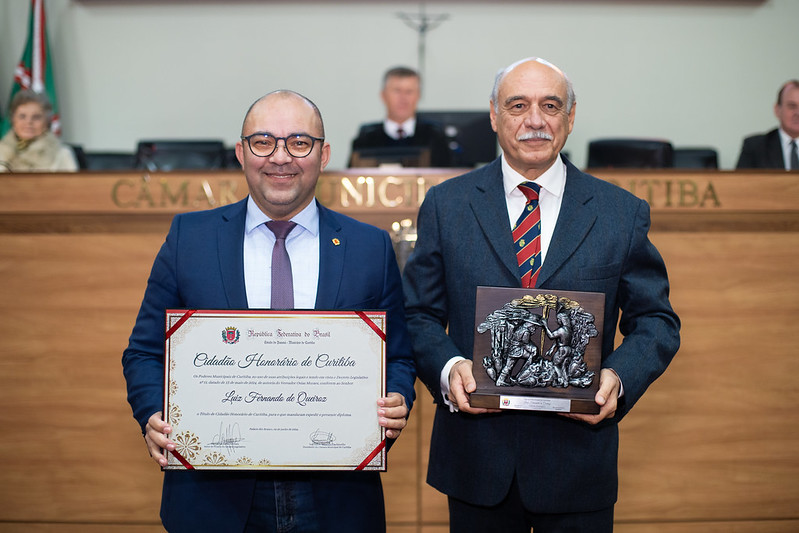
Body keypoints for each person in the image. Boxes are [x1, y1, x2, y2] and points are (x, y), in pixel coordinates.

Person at [402, 57, 680, 532]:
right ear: (494, 115)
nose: (535, 120)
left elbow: (656, 320)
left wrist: (619, 375)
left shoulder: (620, 213)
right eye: (518, 105)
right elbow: (418, 314)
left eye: (550, 105)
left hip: (577, 465)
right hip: (476, 463)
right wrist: (449, 370)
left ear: (570, 118)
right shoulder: (447, 205)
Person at [122, 90, 416, 533]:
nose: (281, 157)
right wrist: (151, 414)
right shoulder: (191, 239)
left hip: (336, 497)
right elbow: (144, 353)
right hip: (215, 497)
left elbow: (398, 355)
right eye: (263, 142)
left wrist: (398, 398)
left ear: (324, 153)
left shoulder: (368, 247)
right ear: (241, 153)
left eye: (299, 142)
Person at [349, 66, 451, 167]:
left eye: (409, 91)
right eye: (397, 91)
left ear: (418, 96)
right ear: (383, 95)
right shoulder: (367, 138)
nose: (403, 98)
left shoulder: (434, 136)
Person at [0, 89, 78, 172]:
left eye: (36, 117)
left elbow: (73, 184)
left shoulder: (62, 154)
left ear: (46, 122)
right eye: (22, 116)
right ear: (13, 121)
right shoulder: (1, 151)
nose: (29, 122)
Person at [736, 80, 799, 170]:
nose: (797, 113)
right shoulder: (755, 147)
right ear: (777, 110)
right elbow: (741, 182)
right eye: (792, 106)